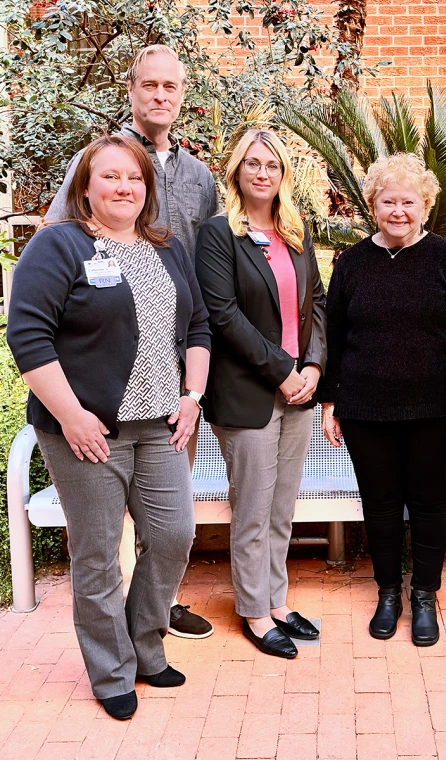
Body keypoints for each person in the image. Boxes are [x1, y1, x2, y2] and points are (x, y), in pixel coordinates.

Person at [7, 135, 211, 720]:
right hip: (85, 432)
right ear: (86, 187)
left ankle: (146, 648)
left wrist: (192, 396)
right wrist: (71, 417)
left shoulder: (165, 248)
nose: (124, 187)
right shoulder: (60, 246)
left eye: (135, 178)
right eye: (111, 177)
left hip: (160, 427)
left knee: (173, 536)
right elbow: (27, 336)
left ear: (147, 189)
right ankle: (111, 669)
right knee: (97, 556)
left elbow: (197, 327)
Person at [45, 44, 218, 640]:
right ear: (132, 90)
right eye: (149, 86)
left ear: (182, 94)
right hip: (100, 372)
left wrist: (197, 381)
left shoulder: (198, 176)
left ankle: (157, 611)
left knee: (169, 522)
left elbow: (207, 271)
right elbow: (54, 252)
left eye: (171, 87)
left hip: (172, 375)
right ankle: (113, 635)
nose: (160, 96)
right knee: (100, 530)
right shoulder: (96, 161)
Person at [319, 153, 446, 647]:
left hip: (438, 407)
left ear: (426, 205)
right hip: (367, 408)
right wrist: (331, 401)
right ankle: (388, 592)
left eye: (409, 201)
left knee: (430, 504)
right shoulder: (351, 263)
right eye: (389, 201)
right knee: (381, 505)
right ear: (372, 204)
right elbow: (335, 335)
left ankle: (425, 595)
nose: (399, 210)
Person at [195, 129, 326, 659]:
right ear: (236, 172)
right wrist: (282, 370)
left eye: (271, 164)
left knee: (281, 506)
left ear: (282, 175)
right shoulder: (217, 233)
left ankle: (276, 600)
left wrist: (314, 364)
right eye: (251, 163)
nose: (261, 172)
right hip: (249, 392)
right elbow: (222, 314)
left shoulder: (297, 232)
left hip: (298, 391)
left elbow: (317, 300)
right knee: (251, 507)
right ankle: (253, 609)